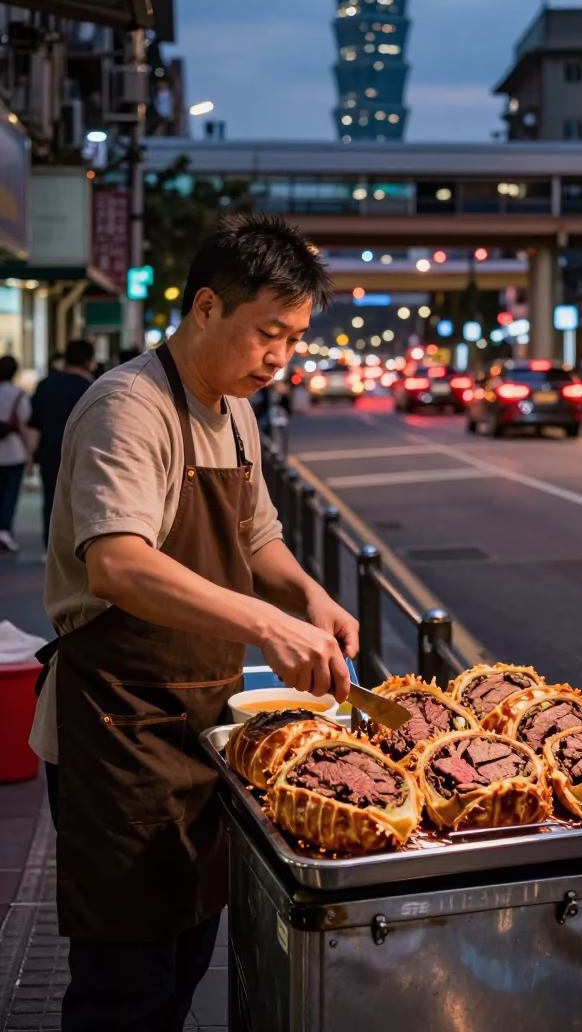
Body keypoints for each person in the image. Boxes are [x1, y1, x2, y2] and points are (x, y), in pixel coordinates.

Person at [30, 213, 358, 1032]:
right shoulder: (128, 407)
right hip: (118, 731)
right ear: (207, 307)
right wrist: (265, 626)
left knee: (186, 962)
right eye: (267, 333)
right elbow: (119, 564)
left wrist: (308, 598)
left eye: (295, 337)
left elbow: (257, 534)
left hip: (204, 726)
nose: (280, 357)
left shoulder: (233, 407)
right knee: (124, 989)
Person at [28, 339, 96, 547]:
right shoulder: (92, 388)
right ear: (88, 361)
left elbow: (34, 425)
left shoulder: (45, 385)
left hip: (49, 453)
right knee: (80, 501)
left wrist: (30, 457)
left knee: (50, 499)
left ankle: (50, 545)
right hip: (82, 455)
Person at [0, 355, 32, 552]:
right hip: (14, 451)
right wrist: (30, 456)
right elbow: (25, 423)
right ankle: (4, 530)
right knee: (10, 494)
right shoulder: (18, 395)